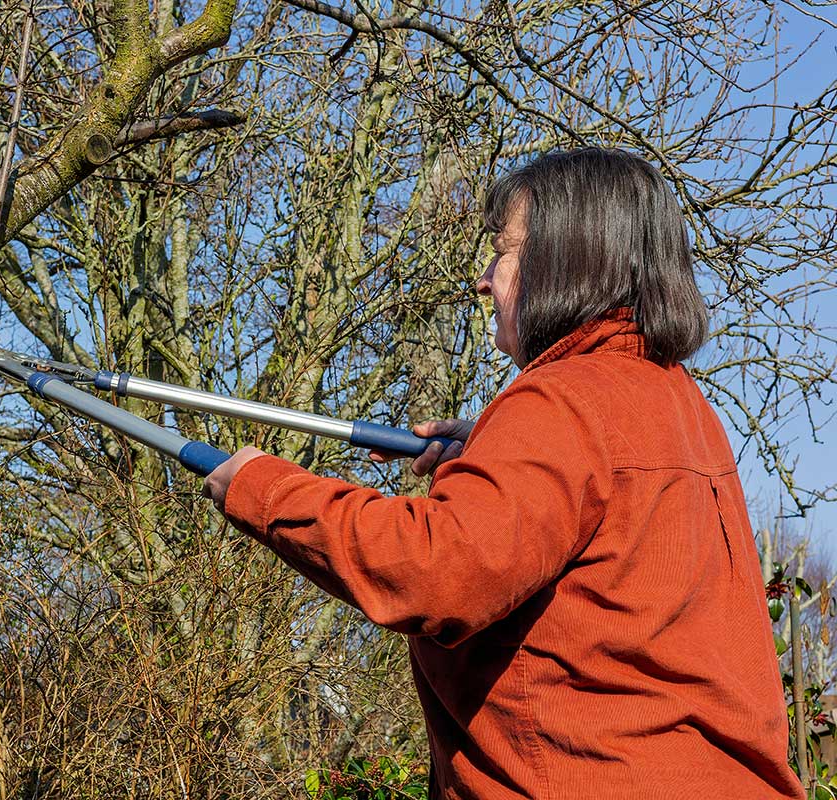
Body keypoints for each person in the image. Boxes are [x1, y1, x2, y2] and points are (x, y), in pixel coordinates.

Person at [203, 148, 804, 799]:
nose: (484, 280)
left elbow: (435, 572)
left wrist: (259, 486)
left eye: (504, 251)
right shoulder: (676, 402)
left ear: (567, 260)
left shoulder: (564, 398)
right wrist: (490, 453)